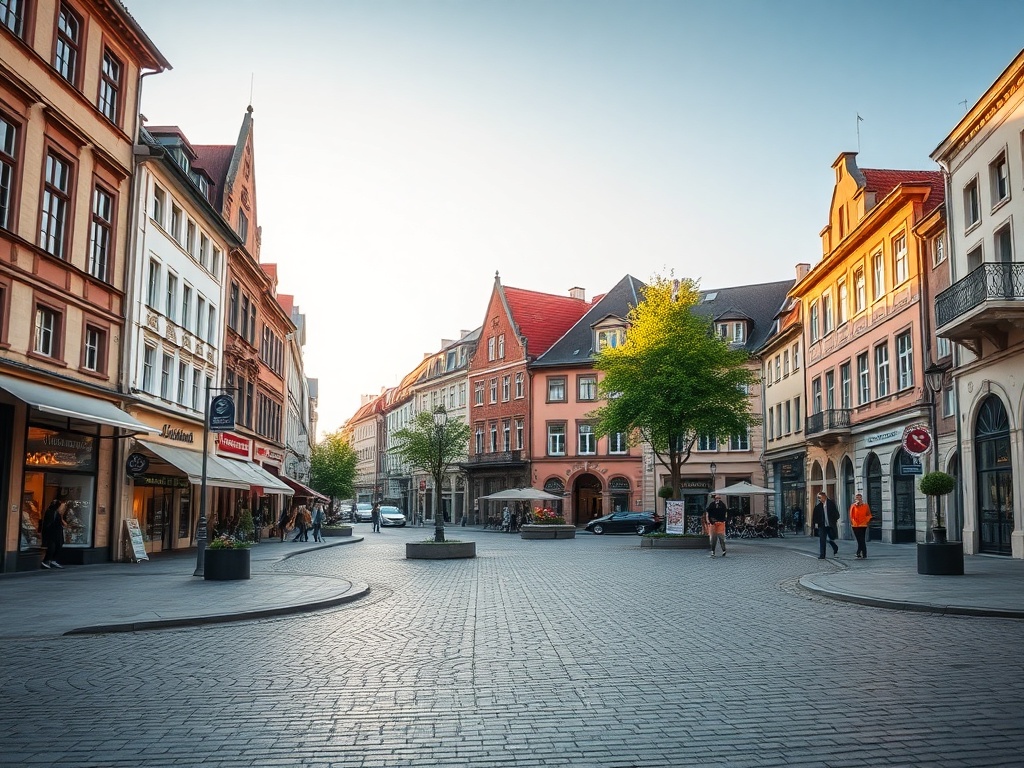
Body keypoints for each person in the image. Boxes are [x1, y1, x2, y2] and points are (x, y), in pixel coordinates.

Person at [39, 498, 68, 569]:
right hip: (52, 532)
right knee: (52, 547)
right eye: (61, 506)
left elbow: (63, 523)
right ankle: (46, 561)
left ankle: (52, 560)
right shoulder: (51, 512)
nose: (63, 508)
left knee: (58, 545)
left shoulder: (57, 513)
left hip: (57, 532)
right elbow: (49, 524)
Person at [811, 491, 840, 559]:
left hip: (830, 525)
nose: (819, 499)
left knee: (831, 538)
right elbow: (815, 516)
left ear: (824, 497)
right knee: (822, 539)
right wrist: (815, 525)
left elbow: (837, 514)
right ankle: (822, 555)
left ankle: (835, 547)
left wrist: (833, 521)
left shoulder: (831, 504)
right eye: (818, 498)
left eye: (820, 498)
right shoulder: (818, 506)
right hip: (822, 525)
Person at [849, 492, 872, 559]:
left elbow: (869, 515)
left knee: (861, 539)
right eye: (857, 497)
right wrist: (853, 522)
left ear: (862, 498)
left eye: (860, 497)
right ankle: (859, 552)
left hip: (863, 525)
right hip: (855, 525)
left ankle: (864, 553)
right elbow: (851, 515)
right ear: (855, 499)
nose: (858, 499)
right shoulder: (853, 506)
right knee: (859, 539)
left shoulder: (865, 505)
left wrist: (866, 520)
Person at [705, 493, 728, 558]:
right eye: (716, 498)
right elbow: (708, 512)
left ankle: (724, 550)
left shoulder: (722, 505)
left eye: (718, 498)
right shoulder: (712, 505)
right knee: (713, 538)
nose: (717, 499)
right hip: (713, 523)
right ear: (714, 499)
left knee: (721, 538)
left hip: (720, 522)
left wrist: (724, 519)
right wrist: (708, 520)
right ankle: (713, 551)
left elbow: (725, 512)